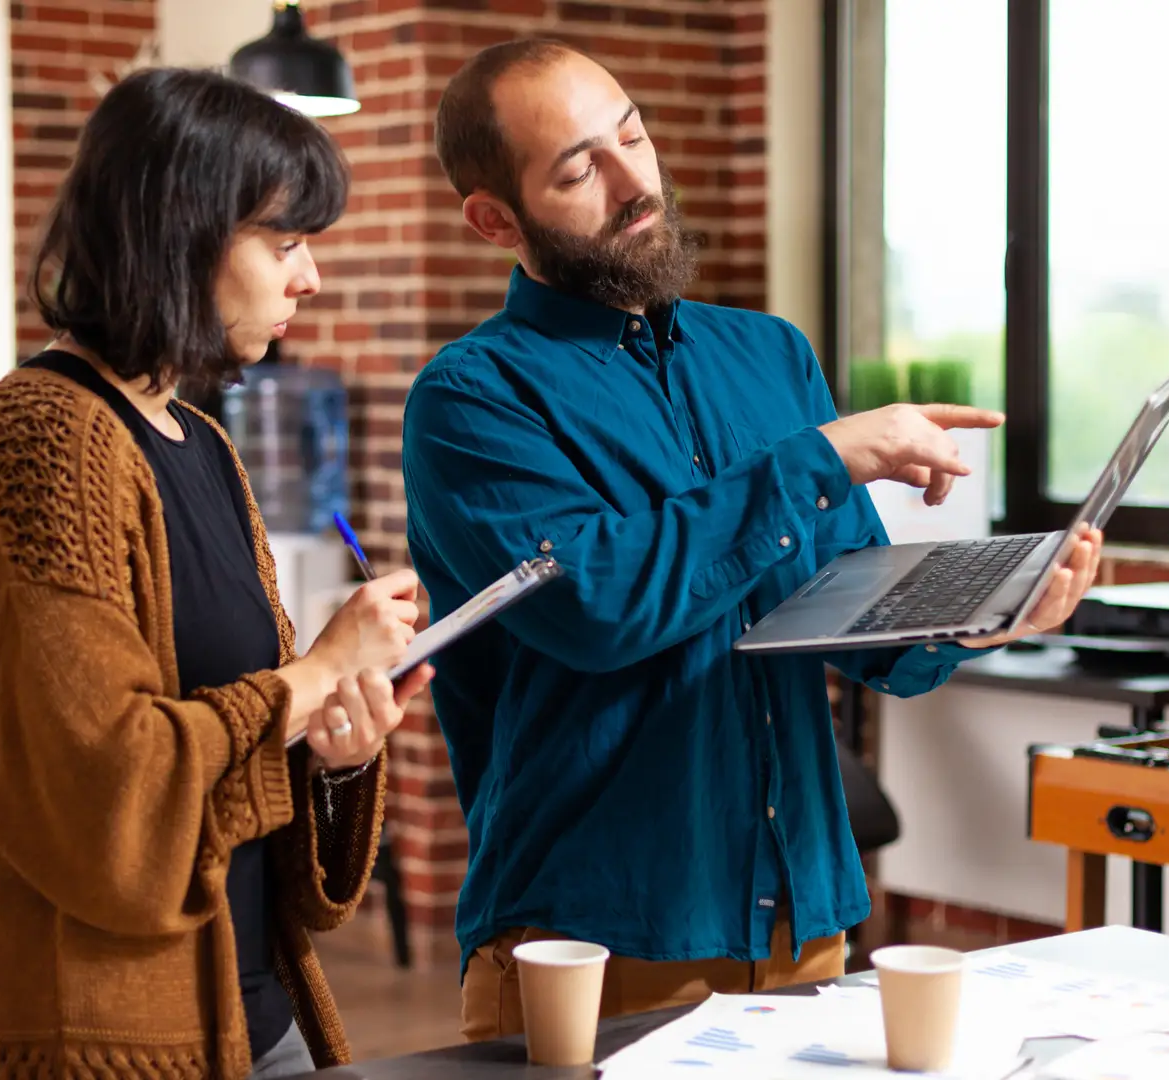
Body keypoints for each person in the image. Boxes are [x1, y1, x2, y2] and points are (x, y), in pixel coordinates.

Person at [401, 39, 1104, 1039]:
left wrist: (985, 614)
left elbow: (848, 604)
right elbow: (598, 605)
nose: (634, 180)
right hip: (593, 943)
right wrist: (819, 459)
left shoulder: (770, 355)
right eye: (577, 169)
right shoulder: (471, 399)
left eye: (633, 135)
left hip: (807, 926)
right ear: (492, 218)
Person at [0, 68, 431, 1080]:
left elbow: (227, 760)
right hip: (98, 1031)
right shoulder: (45, 434)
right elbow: (101, 783)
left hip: (250, 1005)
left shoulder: (200, 440)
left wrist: (331, 747)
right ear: (183, 233)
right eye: (285, 243)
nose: (311, 280)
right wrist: (308, 673)